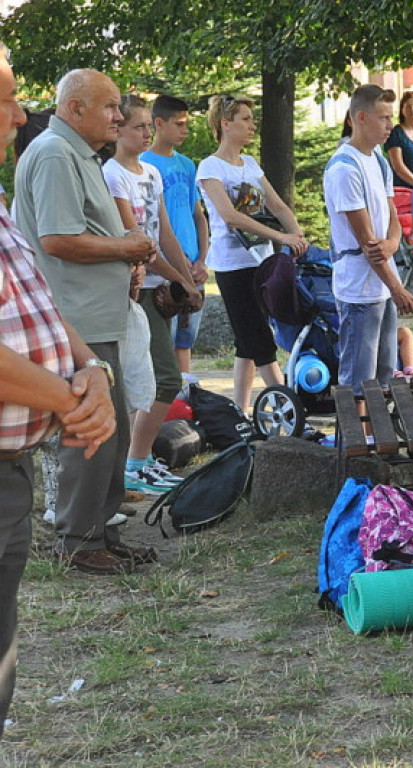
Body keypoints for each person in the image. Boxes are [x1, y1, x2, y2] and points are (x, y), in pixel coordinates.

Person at [1, 46, 119, 737]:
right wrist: (68, 395)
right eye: (5, 97)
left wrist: (90, 372)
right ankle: (83, 535)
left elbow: (36, 305)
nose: (19, 113)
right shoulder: (50, 154)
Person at [14, 68, 158, 574]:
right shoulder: (55, 154)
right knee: (92, 432)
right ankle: (78, 541)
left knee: (111, 429)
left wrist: (126, 258)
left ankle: (99, 531)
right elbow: (58, 239)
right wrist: (128, 245)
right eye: (110, 107)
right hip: (79, 321)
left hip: (97, 315)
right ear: (74, 108)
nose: (120, 116)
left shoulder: (76, 154)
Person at [103, 94, 201, 495]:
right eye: (138, 126)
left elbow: (165, 234)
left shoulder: (151, 173)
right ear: (118, 130)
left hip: (162, 288)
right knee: (163, 378)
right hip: (136, 287)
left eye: (148, 126)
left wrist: (186, 281)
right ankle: (134, 464)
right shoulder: (112, 175)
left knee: (148, 379)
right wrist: (181, 280)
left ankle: (136, 462)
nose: (146, 133)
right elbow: (138, 241)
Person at [197, 94, 308, 408]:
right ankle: (290, 410)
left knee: (246, 343)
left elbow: (277, 204)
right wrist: (280, 236)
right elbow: (230, 216)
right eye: (245, 119)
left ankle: (240, 411)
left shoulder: (250, 164)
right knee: (259, 340)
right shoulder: (210, 167)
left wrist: (296, 234)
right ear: (226, 124)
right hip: (232, 266)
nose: (252, 125)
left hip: (259, 260)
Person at [325, 84, 413, 398]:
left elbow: (390, 209)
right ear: (360, 118)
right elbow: (367, 242)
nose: (390, 125)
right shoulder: (344, 169)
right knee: (358, 379)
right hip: (359, 288)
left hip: (382, 282)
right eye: (383, 117)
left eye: (390, 117)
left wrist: (393, 242)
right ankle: (357, 441)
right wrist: (398, 288)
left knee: (383, 373)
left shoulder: (377, 159)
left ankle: (379, 438)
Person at [141, 94, 210, 379]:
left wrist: (202, 260)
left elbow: (198, 215)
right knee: (162, 342)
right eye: (179, 124)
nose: (185, 130)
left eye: (187, 124)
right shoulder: (145, 163)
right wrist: (179, 266)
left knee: (185, 341)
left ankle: (186, 398)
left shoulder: (186, 164)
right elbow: (158, 227)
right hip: (166, 267)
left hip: (193, 267)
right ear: (159, 123)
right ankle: (166, 404)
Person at [384, 90, 413, 189]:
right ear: (402, 110)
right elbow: (398, 167)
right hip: (404, 191)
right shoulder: (396, 133)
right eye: (408, 106)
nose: (412, 109)